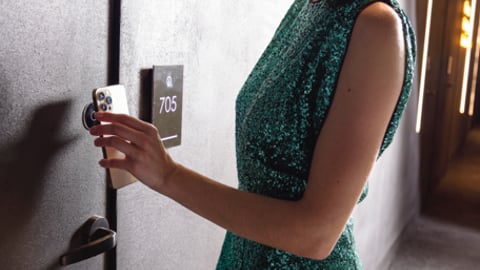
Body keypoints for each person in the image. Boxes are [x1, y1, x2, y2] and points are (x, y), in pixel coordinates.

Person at [89, 0, 416, 268]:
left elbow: (317, 234)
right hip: (242, 254)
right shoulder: (309, 6)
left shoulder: (377, 27)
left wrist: (168, 175)